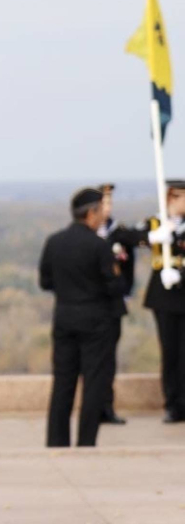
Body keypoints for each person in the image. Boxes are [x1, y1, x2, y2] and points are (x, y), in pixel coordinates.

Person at [39, 187, 127, 447]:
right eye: (100, 211)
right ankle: (86, 442)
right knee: (94, 383)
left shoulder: (54, 242)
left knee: (63, 383)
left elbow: (45, 282)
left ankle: (57, 442)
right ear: (91, 213)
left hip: (64, 318)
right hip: (97, 322)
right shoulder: (99, 245)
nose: (103, 216)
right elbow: (115, 286)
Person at [141, 180, 185, 422]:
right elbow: (128, 237)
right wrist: (153, 236)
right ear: (172, 198)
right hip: (164, 297)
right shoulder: (156, 223)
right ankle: (173, 403)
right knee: (170, 352)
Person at [96, 183, 137, 425]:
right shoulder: (86, 235)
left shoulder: (118, 234)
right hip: (92, 306)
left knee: (109, 359)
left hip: (112, 306)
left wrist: (125, 290)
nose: (107, 207)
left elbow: (129, 263)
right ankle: (93, 407)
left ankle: (107, 406)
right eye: (103, 202)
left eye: (110, 202)